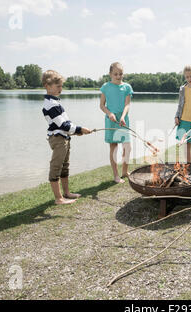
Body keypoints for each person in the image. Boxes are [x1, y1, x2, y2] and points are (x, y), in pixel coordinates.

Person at [42, 70, 92, 205]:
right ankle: (58, 199)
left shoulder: (56, 103)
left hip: (64, 137)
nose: (60, 88)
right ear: (47, 86)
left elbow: (67, 124)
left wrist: (77, 132)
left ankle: (66, 193)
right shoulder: (50, 105)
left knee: (65, 166)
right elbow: (62, 125)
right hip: (58, 139)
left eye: (61, 86)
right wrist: (80, 129)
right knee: (56, 167)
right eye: (57, 86)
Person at [99, 62, 134, 184]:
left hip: (123, 120)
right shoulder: (105, 87)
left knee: (127, 147)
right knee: (114, 147)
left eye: (121, 74)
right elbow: (102, 105)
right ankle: (116, 175)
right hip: (111, 120)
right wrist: (109, 113)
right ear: (110, 74)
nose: (118, 76)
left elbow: (127, 104)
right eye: (116, 74)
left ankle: (125, 171)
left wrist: (123, 116)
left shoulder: (127, 87)